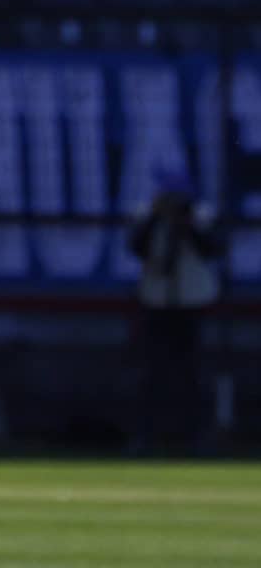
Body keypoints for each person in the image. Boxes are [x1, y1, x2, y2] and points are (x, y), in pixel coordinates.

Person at [127, 166, 224, 455]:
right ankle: (145, 436)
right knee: (150, 373)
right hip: (156, 302)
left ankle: (197, 436)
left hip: (192, 303)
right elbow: (136, 247)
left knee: (193, 373)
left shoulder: (202, 216)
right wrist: (157, 216)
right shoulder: (149, 216)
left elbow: (211, 249)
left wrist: (188, 224)